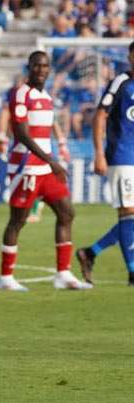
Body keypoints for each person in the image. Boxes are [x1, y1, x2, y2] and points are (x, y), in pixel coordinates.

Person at [0, 52, 90, 291]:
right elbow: (20, 132)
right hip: (26, 167)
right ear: (29, 67)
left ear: (49, 70)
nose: (41, 69)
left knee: (67, 212)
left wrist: (57, 150)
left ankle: (63, 274)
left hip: (46, 169)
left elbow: (48, 127)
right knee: (18, 220)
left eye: (45, 66)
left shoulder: (46, 96)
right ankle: (6, 278)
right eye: (37, 65)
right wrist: (51, 159)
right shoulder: (21, 94)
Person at [75, 42, 134, 287]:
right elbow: (101, 114)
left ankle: (90, 253)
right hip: (121, 156)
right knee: (128, 212)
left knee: (130, 216)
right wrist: (99, 153)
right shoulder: (121, 81)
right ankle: (132, 272)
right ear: (131, 56)